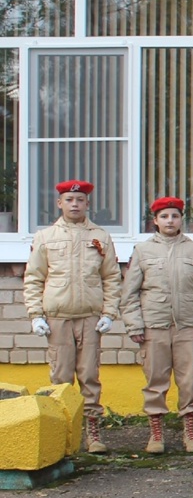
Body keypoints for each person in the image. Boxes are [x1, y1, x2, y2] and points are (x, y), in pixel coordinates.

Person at [23, 179, 122, 454]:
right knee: (60, 377)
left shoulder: (100, 236)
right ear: (60, 203)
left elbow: (112, 277)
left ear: (87, 204)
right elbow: (34, 278)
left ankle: (93, 433)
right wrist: (36, 315)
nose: (75, 204)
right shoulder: (45, 237)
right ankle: (63, 436)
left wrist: (109, 312)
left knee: (89, 375)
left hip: (90, 318)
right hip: (58, 318)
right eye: (69, 200)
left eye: (79, 200)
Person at [121, 197, 193, 454]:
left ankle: (190, 432)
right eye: (164, 216)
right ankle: (156, 434)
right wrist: (134, 325)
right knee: (155, 380)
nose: (170, 221)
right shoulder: (143, 251)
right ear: (155, 220)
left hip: (187, 327)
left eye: (174, 216)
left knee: (188, 381)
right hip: (154, 326)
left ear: (181, 220)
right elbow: (129, 294)